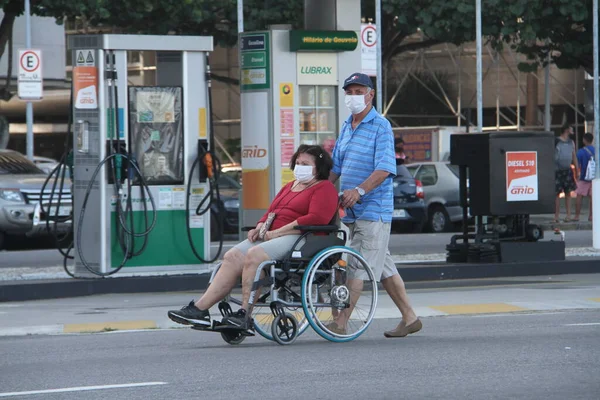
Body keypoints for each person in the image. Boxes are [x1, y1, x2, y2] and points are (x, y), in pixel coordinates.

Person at [167, 145, 339, 334]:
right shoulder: (290, 186)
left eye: (305, 164)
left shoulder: (324, 188)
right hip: (273, 234)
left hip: (302, 237)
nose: (299, 167)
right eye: (297, 163)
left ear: (319, 167)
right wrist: (259, 226)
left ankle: (244, 314)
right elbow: (272, 211)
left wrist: (279, 231)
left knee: (255, 255)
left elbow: (316, 218)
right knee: (232, 255)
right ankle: (199, 309)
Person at [328, 72, 422, 338]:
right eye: (350, 92)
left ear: (371, 95)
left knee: (356, 264)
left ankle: (341, 322)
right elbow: (336, 167)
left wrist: (359, 190)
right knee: (385, 267)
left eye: (359, 91)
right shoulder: (347, 125)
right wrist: (317, 190)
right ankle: (410, 318)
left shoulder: (380, 125)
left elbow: (384, 168)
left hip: (373, 210)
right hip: (350, 212)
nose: (353, 97)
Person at [554, 123, 579, 223]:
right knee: (556, 194)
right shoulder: (556, 141)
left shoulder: (571, 142)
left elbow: (574, 156)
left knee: (568, 193)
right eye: (571, 129)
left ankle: (568, 215)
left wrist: (577, 170)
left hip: (567, 170)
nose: (572, 130)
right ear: (566, 130)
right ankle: (556, 216)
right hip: (557, 170)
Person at [574, 132, 595, 222]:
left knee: (579, 196)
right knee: (592, 198)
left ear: (584, 140)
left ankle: (577, 216)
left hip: (583, 177)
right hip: (594, 178)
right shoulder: (596, 150)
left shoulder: (581, 151)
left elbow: (577, 164)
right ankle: (591, 216)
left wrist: (576, 175)